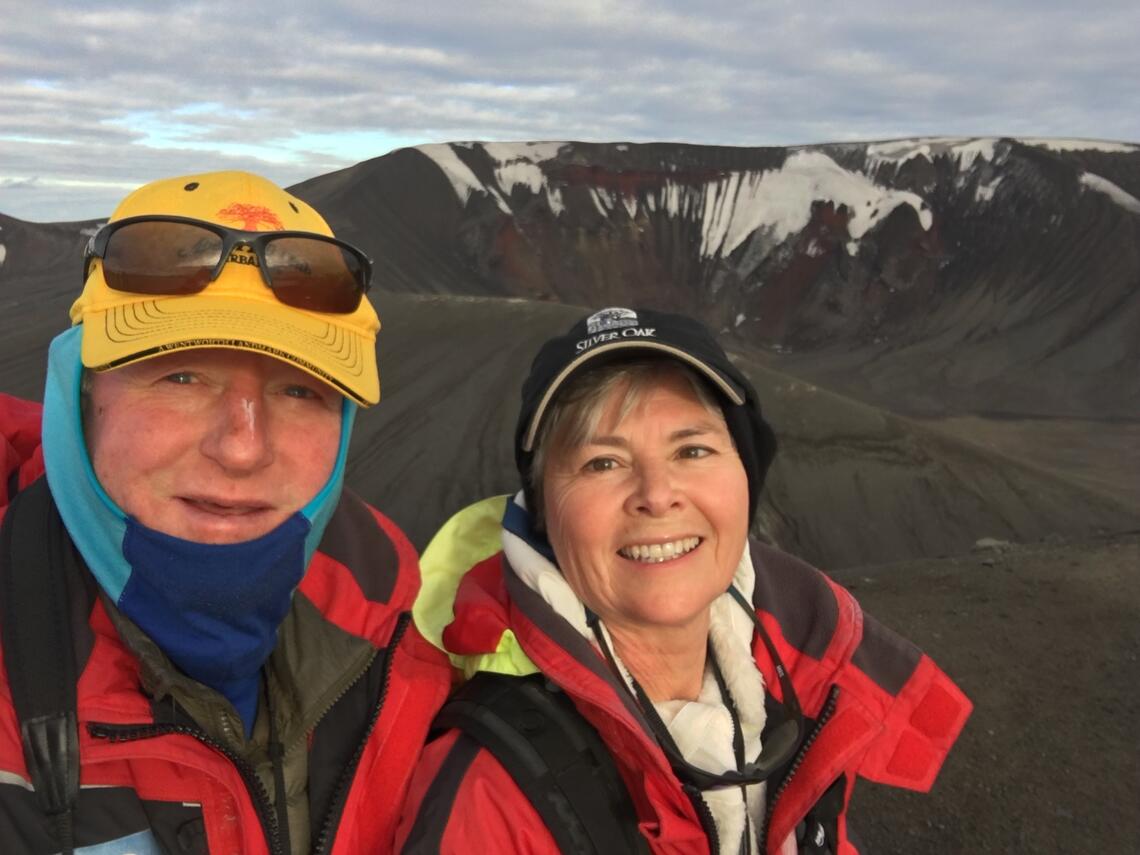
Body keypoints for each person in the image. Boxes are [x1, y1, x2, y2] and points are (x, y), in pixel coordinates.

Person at [397, 307, 972, 854]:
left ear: (745, 480)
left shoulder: (799, 685)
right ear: (544, 511)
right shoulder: (492, 796)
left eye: (692, 449)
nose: (655, 494)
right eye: (603, 462)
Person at [0, 171, 452, 854]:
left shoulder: (404, 648)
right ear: (81, 390)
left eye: (300, 391)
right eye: (181, 374)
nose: (242, 446)